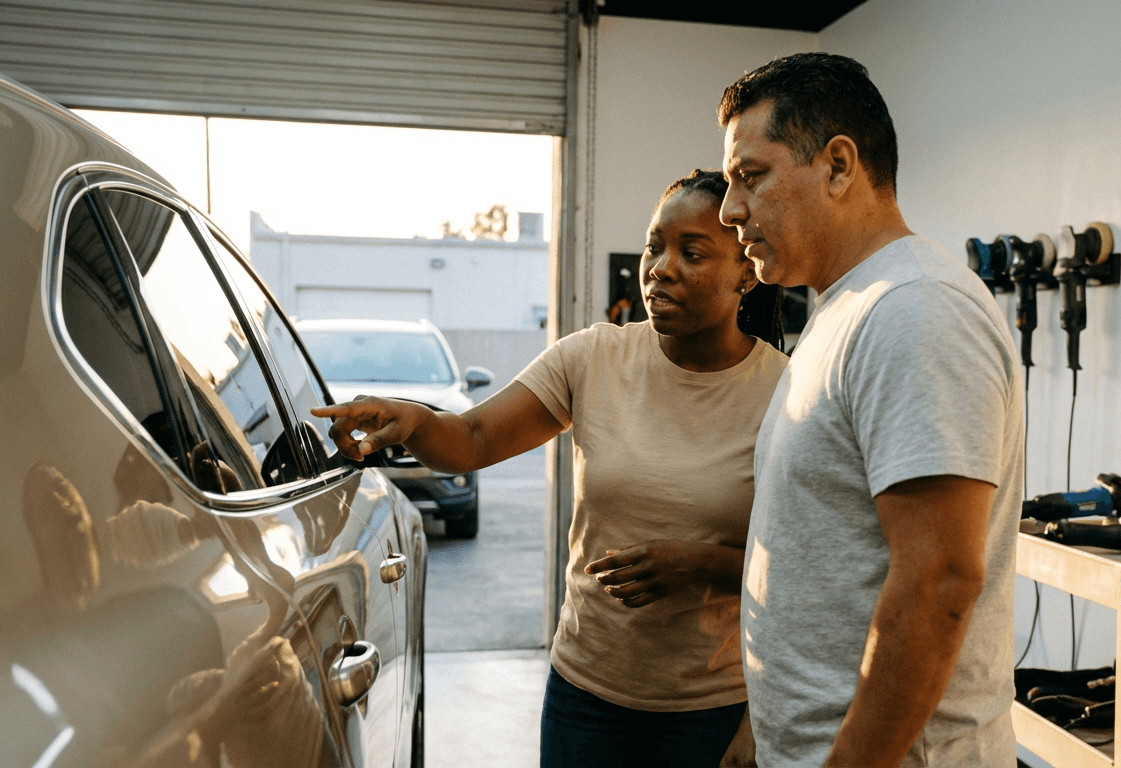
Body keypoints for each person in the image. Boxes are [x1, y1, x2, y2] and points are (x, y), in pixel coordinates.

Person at [311, 169, 788, 768]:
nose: (660, 268)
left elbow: (809, 573)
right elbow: (473, 437)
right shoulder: (594, 357)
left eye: (691, 253)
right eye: (653, 246)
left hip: (713, 707)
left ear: (746, 270)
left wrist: (701, 565)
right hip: (586, 697)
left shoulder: (785, 391)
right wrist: (413, 421)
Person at [717, 53, 1024, 767]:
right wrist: (762, 730)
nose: (732, 210)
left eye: (750, 176)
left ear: (838, 165)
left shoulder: (915, 310)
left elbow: (939, 582)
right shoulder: (844, 310)